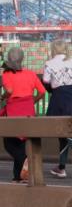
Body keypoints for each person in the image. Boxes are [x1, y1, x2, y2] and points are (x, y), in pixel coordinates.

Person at [1, 47, 47, 183]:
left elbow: (9, 90)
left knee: (9, 143)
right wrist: (33, 101)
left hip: (14, 110)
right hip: (28, 110)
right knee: (21, 143)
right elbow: (42, 91)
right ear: (22, 59)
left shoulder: (7, 74)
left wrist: (3, 97)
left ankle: (25, 160)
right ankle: (18, 176)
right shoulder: (31, 74)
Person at [43, 40, 72, 179]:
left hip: (59, 100)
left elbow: (46, 81)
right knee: (68, 134)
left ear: (53, 49)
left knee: (62, 135)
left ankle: (62, 168)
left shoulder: (49, 63)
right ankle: (61, 167)